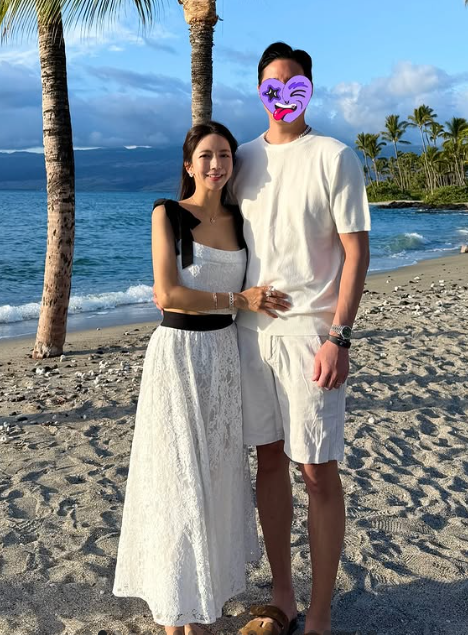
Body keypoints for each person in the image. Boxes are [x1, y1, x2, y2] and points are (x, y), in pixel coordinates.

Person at [113, 121, 291, 635]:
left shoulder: (239, 220)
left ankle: (201, 604)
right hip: (178, 356)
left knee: (215, 478)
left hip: (225, 355)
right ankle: (177, 615)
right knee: (176, 478)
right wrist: (239, 300)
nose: (216, 164)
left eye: (225, 155)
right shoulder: (167, 214)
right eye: (206, 156)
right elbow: (168, 293)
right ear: (189, 164)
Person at [229, 43, 371, 635]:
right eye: (272, 86)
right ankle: (283, 597)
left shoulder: (334, 156)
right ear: (259, 90)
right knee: (268, 462)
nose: (282, 96)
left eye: (294, 85)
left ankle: (320, 613)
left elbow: (356, 251)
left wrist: (340, 336)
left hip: (311, 335)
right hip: (249, 337)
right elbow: (213, 235)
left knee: (316, 470)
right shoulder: (240, 158)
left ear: (309, 88)